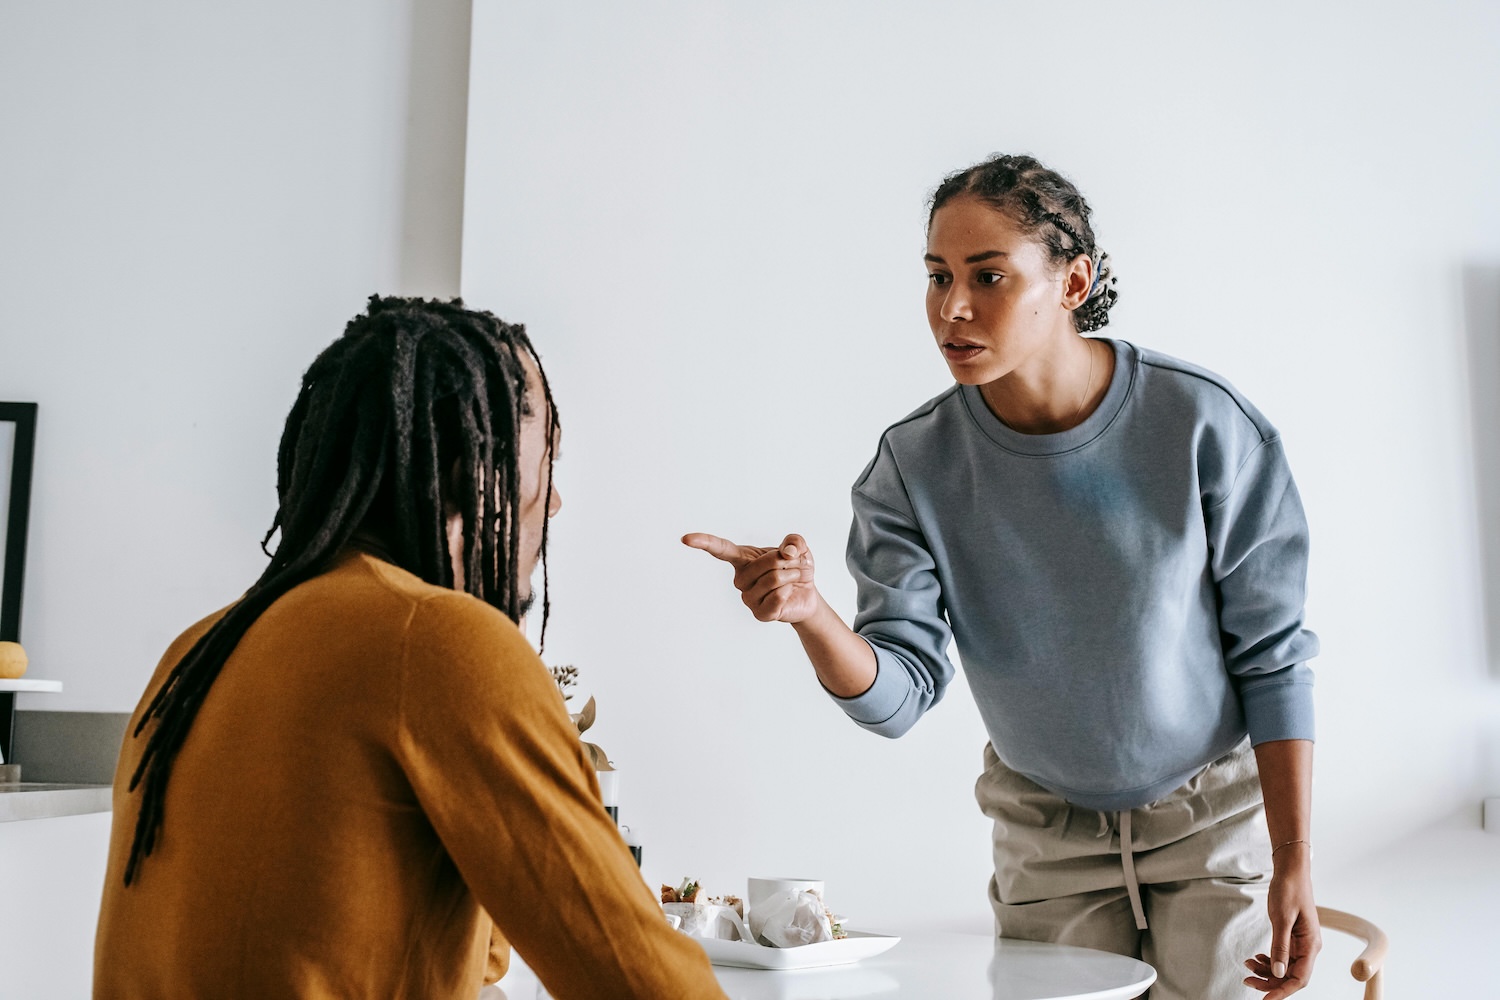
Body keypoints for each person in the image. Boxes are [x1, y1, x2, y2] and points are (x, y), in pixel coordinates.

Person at [685, 155, 1321, 999]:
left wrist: (1294, 862)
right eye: (938, 276)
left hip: (1212, 826)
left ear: (1072, 281)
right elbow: (898, 697)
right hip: (1045, 839)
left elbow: (1273, 659)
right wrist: (810, 614)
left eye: (989, 276)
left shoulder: (1204, 424)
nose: (952, 307)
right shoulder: (913, 467)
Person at [95, 296, 727, 1000]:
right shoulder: (437, 642)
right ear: (472, 469)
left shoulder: (200, 648)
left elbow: (476, 962)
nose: (553, 505)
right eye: (549, 460)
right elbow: (643, 983)